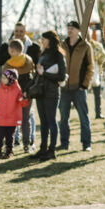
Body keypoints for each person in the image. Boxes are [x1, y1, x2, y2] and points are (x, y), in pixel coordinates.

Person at [58, 20, 94, 152]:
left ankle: (86, 144)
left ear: (79, 31)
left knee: (83, 117)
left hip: (79, 89)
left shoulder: (85, 46)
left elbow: (91, 67)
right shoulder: (62, 45)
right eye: (68, 28)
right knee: (63, 118)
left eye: (72, 28)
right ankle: (64, 143)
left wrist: (84, 85)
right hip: (64, 89)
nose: (69, 30)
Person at [32, 31, 66, 161]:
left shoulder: (58, 55)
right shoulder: (43, 54)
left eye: (43, 39)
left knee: (51, 121)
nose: (41, 41)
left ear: (50, 40)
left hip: (51, 93)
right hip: (40, 92)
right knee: (43, 122)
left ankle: (52, 150)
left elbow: (62, 76)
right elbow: (38, 73)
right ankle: (43, 149)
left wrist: (44, 73)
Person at [2, 38, 35, 154]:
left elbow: (6, 83)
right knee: (25, 120)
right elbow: (32, 78)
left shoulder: (7, 65)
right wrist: (27, 91)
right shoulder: (29, 61)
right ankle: (27, 145)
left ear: (11, 50)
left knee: (11, 121)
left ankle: (9, 146)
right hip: (26, 95)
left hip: (12, 97)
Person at [0, 69, 29, 160]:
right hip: (1, 118)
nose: (2, 79)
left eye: (4, 78)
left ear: (11, 79)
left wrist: (25, 98)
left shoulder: (17, 90)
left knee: (10, 137)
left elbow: (22, 103)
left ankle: (9, 151)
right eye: (2, 77)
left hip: (12, 119)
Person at [89, 37, 105, 119]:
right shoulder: (80, 45)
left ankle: (98, 113)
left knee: (97, 95)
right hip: (84, 72)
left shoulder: (97, 46)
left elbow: (103, 57)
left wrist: (97, 59)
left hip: (96, 71)